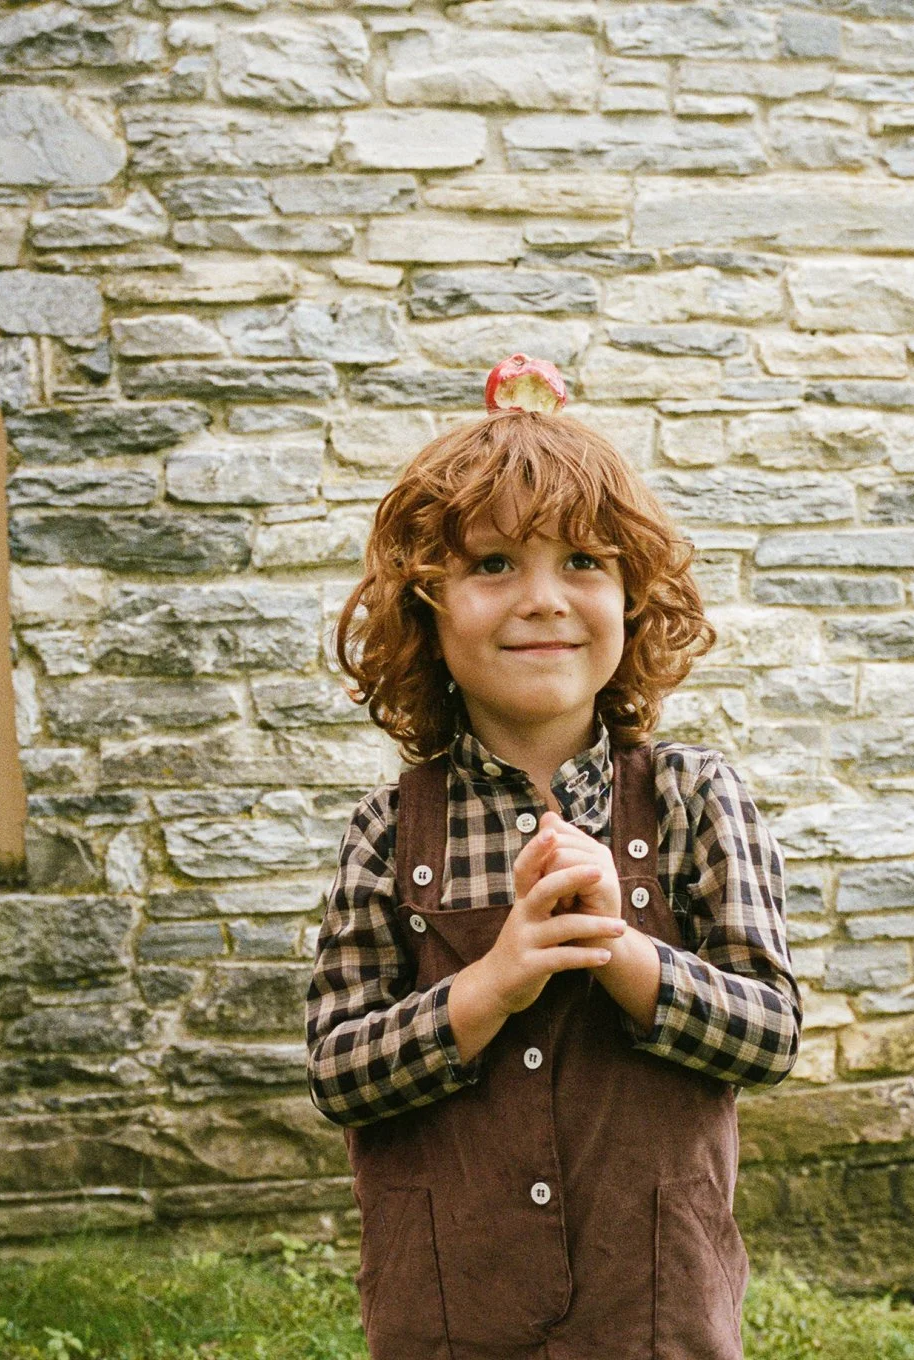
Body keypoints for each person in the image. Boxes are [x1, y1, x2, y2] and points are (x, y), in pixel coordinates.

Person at [304, 355, 802, 1360]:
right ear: (426, 610)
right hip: (451, 1321)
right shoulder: (389, 831)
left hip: (652, 1317)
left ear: (632, 597)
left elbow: (769, 1034)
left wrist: (617, 948)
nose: (542, 599)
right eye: (492, 565)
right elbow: (336, 1072)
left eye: (582, 561)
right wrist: (489, 985)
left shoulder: (693, 799)